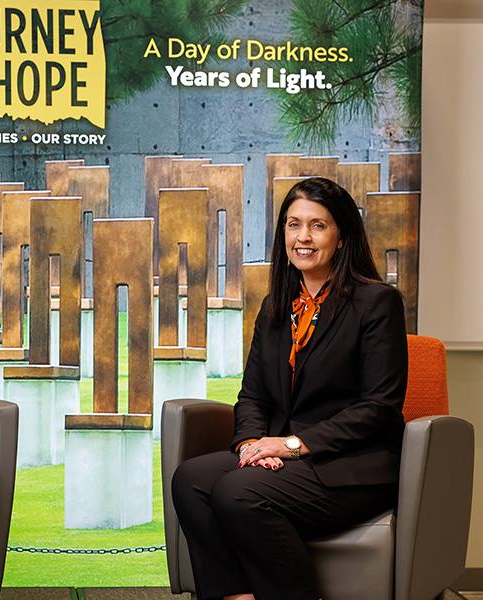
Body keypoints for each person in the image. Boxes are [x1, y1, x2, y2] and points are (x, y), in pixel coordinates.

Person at [171, 177, 408, 600]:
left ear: (341, 237)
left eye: (318, 225)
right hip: (287, 461)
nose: (303, 237)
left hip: (351, 468)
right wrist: (250, 444)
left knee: (236, 492)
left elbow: (379, 409)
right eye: (294, 224)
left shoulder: (376, 303)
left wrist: (290, 445)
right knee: (191, 478)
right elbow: (254, 396)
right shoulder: (277, 305)